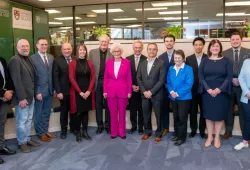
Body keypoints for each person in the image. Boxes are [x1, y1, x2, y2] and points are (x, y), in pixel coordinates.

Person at [199, 39, 233, 149]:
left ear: (220, 48)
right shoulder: (204, 60)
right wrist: (208, 89)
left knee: (219, 116)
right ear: (209, 48)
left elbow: (229, 77)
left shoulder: (226, 61)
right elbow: (201, 76)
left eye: (217, 46)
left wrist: (220, 89)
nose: (215, 48)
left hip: (221, 93)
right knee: (208, 116)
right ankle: (210, 137)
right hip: (207, 93)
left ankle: (217, 137)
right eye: (213, 46)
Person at [9, 39, 40, 153]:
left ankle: (27, 139)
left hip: (30, 97)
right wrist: (21, 98)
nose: (25, 48)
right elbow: (16, 81)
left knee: (28, 120)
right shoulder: (15, 60)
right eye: (22, 46)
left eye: (27, 46)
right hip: (22, 98)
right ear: (17, 48)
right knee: (21, 121)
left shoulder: (28, 59)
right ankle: (21, 142)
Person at [222, 32, 250, 140]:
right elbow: (223, 69)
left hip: (244, 87)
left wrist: (239, 79)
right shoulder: (224, 53)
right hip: (229, 85)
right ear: (230, 41)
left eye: (237, 39)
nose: (235, 41)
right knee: (228, 109)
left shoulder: (248, 52)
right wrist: (231, 79)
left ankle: (245, 133)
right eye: (233, 39)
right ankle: (228, 131)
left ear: (241, 40)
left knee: (243, 110)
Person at [137, 43, 166, 143]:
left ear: (157, 51)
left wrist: (151, 92)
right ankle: (147, 132)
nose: (152, 51)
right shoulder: (142, 63)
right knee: (146, 115)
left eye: (154, 49)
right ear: (147, 50)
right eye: (150, 49)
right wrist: (144, 91)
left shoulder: (161, 63)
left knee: (158, 115)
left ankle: (158, 133)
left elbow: (162, 81)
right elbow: (138, 78)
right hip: (144, 94)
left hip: (157, 94)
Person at [103, 43, 132, 139]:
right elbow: (106, 78)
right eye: (115, 51)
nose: (116, 53)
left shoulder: (127, 62)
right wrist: (105, 90)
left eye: (118, 51)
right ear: (112, 52)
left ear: (121, 52)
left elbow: (129, 78)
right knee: (113, 113)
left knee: (122, 113)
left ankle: (122, 132)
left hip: (123, 91)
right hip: (111, 91)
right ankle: (114, 132)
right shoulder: (108, 62)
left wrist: (129, 91)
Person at [69, 44, 95, 142]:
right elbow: (71, 78)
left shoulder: (89, 63)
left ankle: (85, 131)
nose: (82, 52)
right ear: (77, 51)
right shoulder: (73, 63)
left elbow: (93, 78)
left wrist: (89, 91)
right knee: (78, 113)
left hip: (87, 91)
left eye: (84, 50)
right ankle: (78, 133)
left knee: (85, 112)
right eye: (80, 50)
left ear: (86, 51)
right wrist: (80, 92)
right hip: (77, 92)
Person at [30, 37, 55, 142]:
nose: (44, 46)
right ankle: (40, 133)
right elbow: (33, 77)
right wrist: (37, 91)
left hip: (49, 90)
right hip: (39, 91)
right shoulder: (32, 59)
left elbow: (52, 75)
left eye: (45, 44)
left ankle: (45, 131)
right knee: (38, 114)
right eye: (42, 44)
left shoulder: (51, 57)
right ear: (37, 46)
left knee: (46, 112)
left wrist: (53, 88)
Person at [167, 50, 194, 146]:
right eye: (175, 58)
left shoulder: (188, 69)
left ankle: (181, 138)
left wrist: (177, 93)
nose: (177, 59)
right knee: (176, 117)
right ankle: (177, 134)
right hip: (173, 97)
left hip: (184, 98)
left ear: (183, 58)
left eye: (179, 58)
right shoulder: (171, 68)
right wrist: (171, 92)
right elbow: (168, 82)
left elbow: (189, 84)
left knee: (182, 118)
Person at [89, 35, 112, 134]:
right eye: (102, 41)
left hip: (109, 83)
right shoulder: (92, 53)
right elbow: (89, 68)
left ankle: (107, 125)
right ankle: (100, 125)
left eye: (105, 42)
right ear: (99, 42)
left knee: (108, 105)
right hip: (97, 82)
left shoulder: (113, 52)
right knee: (98, 104)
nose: (103, 43)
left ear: (108, 42)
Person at [186, 37, 208, 139]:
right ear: (193, 46)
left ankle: (202, 130)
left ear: (203, 46)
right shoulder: (188, 59)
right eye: (196, 44)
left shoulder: (208, 58)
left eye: (200, 44)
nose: (198, 46)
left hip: (205, 90)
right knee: (192, 111)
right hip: (192, 90)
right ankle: (194, 130)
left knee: (204, 111)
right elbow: (186, 74)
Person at [53, 43, 75, 139]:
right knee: (64, 111)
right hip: (63, 91)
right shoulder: (57, 60)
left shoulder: (75, 59)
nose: (67, 51)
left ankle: (73, 128)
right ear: (61, 50)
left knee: (74, 110)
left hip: (75, 90)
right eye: (65, 49)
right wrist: (58, 92)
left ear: (71, 49)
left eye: (68, 49)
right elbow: (55, 77)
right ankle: (64, 130)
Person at [126, 40, 146, 135]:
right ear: (133, 48)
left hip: (142, 89)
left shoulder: (146, 59)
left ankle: (141, 127)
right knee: (132, 109)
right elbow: (126, 75)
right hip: (131, 88)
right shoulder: (127, 59)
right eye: (136, 47)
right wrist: (131, 85)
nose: (137, 49)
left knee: (142, 109)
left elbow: (146, 75)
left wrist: (139, 86)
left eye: (139, 47)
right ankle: (133, 126)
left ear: (142, 48)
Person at [158, 34, 175, 137]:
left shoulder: (179, 55)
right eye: (167, 41)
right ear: (164, 43)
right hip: (164, 88)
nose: (169, 42)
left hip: (175, 88)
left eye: (171, 41)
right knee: (164, 109)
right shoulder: (161, 57)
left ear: (174, 42)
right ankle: (166, 128)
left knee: (176, 109)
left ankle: (177, 129)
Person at [0, 56, 16, 163]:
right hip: (1, 95)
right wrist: (2, 93)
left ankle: (1, 147)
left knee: (1, 123)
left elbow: (8, 78)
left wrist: (9, 92)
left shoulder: (2, 59)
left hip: (4, 100)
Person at [234, 59, 250, 150]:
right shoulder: (247, 61)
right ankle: (245, 141)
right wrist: (247, 92)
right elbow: (241, 78)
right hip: (247, 96)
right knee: (247, 119)